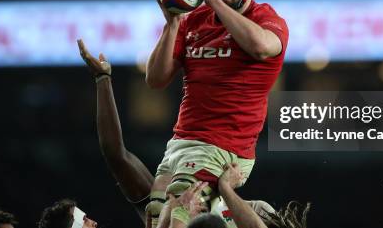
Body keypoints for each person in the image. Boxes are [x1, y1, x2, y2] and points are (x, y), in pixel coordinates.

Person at [77, 40, 309, 228]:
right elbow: (117, 156)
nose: (92, 221)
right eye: (82, 221)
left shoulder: (165, 210)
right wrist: (224, 190)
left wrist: (102, 80)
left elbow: (117, 156)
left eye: (83, 219)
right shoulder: (251, 210)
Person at [145, 0, 290, 226]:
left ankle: (226, 210)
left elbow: (261, 48)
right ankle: (229, 214)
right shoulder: (193, 21)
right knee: (153, 217)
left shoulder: (266, 19)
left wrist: (213, 3)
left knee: (179, 217)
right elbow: (155, 79)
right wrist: (172, 23)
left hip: (223, 145)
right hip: (181, 142)